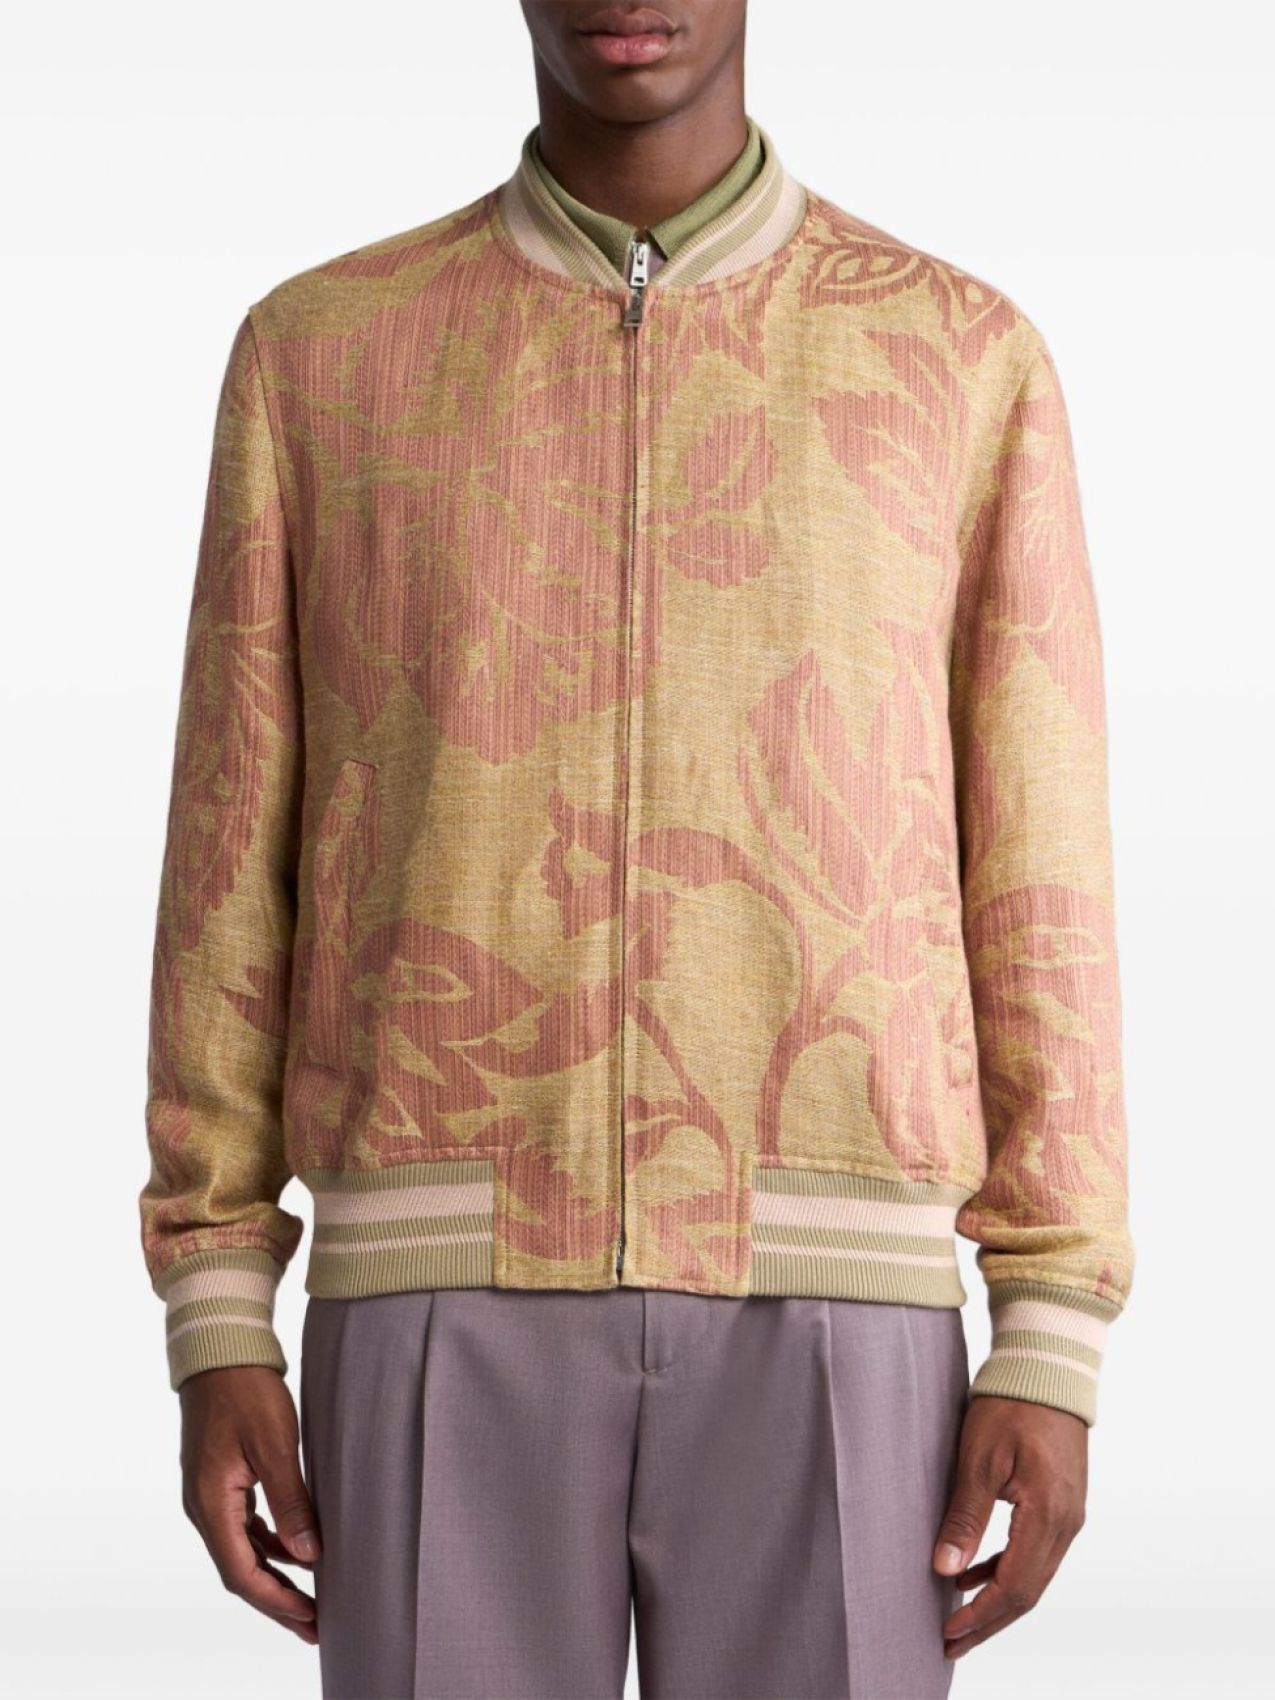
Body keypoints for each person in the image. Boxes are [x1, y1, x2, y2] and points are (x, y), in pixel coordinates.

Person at [139, 3, 1134, 1695]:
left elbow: (1040, 863)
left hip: (841, 1285)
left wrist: (1051, 1325)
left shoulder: (961, 358)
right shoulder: (321, 354)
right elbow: (231, 854)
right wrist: (216, 1299)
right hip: (436, 1276)